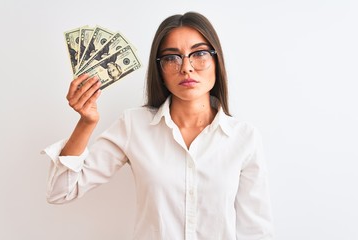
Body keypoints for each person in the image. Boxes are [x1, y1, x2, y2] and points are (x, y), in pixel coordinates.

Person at [43, 11, 274, 239]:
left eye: (199, 54)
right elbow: (61, 191)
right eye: (172, 58)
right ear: (160, 70)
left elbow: (256, 231)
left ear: (216, 60)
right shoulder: (134, 125)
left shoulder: (244, 138)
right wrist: (86, 122)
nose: (186, 68)